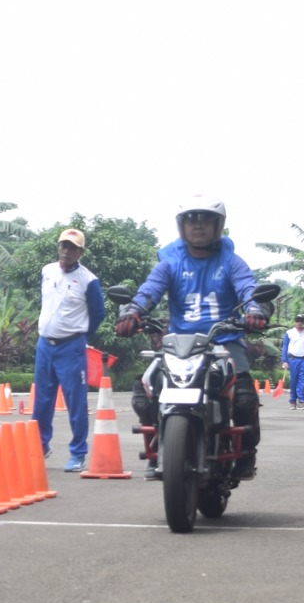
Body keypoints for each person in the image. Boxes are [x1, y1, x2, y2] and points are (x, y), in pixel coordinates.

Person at [114, 197, 268, 482]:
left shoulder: (231, 262)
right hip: (179, 343)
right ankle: (159, 449)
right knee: (145, 390)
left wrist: (255, 309)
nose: (198, 225)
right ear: (181, 226)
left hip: (224, 340)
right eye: (191, 219)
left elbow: (248, 288)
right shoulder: (170, 263)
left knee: (244, 396)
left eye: (205, 219)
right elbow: (149, 291)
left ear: (217, 226)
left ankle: (246, 454)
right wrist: (132, 312)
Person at [34, 227, 104, 472]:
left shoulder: (88, 280)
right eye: (63, 245)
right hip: (44, 345)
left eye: (72, 247)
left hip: (71, 347)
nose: (66, 251)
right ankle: (40, 445)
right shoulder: (47, 270)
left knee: (75, 402)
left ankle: (78, 453)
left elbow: (98, 314)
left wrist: (80, 334)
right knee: (41, 399)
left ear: (80, 252)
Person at [282, 315, 304, 409]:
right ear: (294, 322)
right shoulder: (289, 333)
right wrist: (284, 361)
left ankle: (301, 401)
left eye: (301, 321)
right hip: (292, 360)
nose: (299, 323)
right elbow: (285, 347)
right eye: (297, 321)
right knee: (293, 381)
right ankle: (292, 401)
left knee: (303, 381)